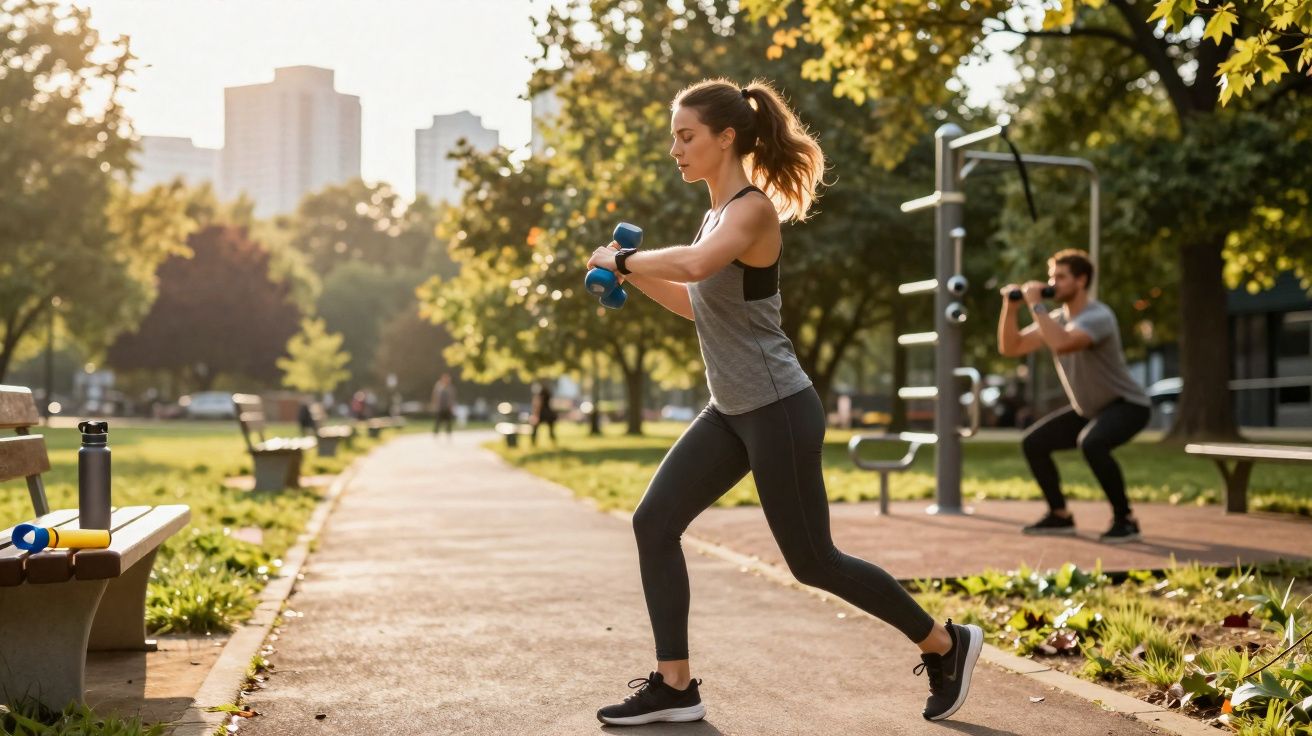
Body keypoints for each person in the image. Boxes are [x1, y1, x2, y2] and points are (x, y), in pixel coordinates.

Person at [584, 78, 982, 727]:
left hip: (777, 409)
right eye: (674, 138)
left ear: (727, 136)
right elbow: (694, 300)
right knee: (653, 523)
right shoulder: (712, 217)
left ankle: (945, 643)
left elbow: (691, 266)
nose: (675, 149)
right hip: (731, 413)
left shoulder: (750, 210)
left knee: (813, 560)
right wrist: (631, 282)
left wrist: (624, 258)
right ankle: (676, 686)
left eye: (686, 136)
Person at [997, 249, 1152, 543]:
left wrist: (1035, 305)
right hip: (1089, 408)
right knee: (1034, 442)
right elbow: (1011, 347)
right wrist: (1011, 307)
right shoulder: (1052, 318)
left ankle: (1126, 519)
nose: (1052, 282)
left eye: (1061, 277)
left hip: (1129, 405)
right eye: (1051, 276)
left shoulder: (1098, 316)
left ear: (1081, 280)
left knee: (1092, 443)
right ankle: (1059, 515)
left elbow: (1064, 343)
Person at [530, 380, 557, 447]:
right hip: (548, 412)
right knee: (551, 430)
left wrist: (536, 414)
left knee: (535, 429)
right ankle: (553, 442)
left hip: (542, 413)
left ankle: (533, 442)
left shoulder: (540, 393)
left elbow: (538, 404)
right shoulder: (548, 392)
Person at [432, 373, 456, 439]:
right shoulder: (438, 386)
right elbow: (435, 396)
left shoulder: (451, 388)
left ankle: (448, 433)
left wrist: (452, 406)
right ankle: (436, 433)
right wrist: (435, 405)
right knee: (438, 421)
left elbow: (452, 398)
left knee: (448, 422)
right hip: (440, 407)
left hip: (447, 407)